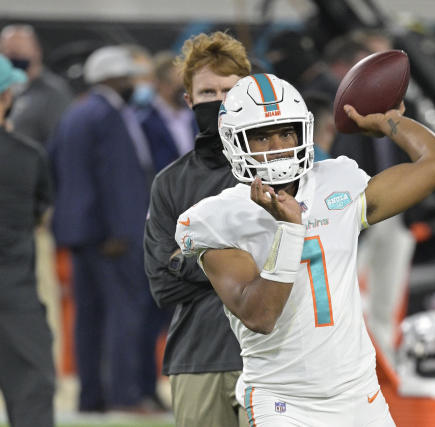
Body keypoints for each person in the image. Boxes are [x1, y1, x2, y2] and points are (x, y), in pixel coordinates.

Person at [175, 73, 435, 426]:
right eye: (261, 136)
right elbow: (261, 316)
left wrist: (392, 122)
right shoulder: (215, 218)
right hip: (282, 400)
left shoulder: (337, 182)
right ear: (235, 141)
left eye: (286, 131)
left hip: (358, 393)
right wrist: (290, 230)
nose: (277, 144)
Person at [143, 31, 252, 427]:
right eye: (208, 93)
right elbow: (162, 283)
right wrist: (242, 255)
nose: (220, 102)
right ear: (188, 100)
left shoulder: (281, 170)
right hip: (198, 356)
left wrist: (193, 254)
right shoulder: (170, 183)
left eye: (230, 90)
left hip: (275, 359)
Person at [48, 45, 161, 413]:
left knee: (89, 319)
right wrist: (118, 232)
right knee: (125, 315)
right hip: (112, 238)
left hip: (81, 236)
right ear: (112, 78)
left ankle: (91, 397)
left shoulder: (75, 114)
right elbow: (113, 179)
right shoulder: (107, 116)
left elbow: (56, 170)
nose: (133, 84)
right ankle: (125, 396)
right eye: (128, 77)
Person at [0, 54, 55, 427]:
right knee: (32, 396)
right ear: (8, 95)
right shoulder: (28, 156)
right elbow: (40, 215)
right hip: (14, 296)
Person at [138, 51, 198, 172]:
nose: (185, 91)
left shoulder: (194, 115)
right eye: (179, 85)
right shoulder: (145, 121)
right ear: (161, 84)